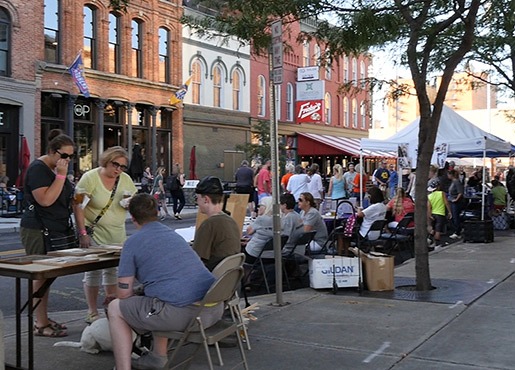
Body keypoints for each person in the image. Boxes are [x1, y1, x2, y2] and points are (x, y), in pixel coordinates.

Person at [108, 193, 222, 370]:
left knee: (115, 308)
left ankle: (123, 367)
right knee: (156, 296)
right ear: (157, 212)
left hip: (187, 316)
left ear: (132, 217)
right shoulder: (173, 235)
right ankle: (157, 357)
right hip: (213, 308)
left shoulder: (132, 243)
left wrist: (116, 296)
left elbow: (123, 294)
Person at [19, 129, 75, 337]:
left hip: (54, 228)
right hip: (38, 229)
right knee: (40, 276)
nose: (68, 160)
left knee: (48, 276)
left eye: (71, 156)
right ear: (52, 152)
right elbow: (45, 200)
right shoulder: (38, 170)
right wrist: (61, 176)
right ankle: (40, 324)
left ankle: (42, 319)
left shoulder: (52, 169)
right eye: (64, 155)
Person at [74, 146, 137, 325]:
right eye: (115, 164)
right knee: (93, 271)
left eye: (122, 166)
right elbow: (78, 206)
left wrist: (129, 204)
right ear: (106, 161)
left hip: (117, 232)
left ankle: (112, 310)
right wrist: (82, 233)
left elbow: (133, 200)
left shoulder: (125, 180)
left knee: (113, 271)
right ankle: (92, 312)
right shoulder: (90, 178)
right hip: (93, 232)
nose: (118, 169)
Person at [192, 176, 241, 271]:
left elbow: (196, 259)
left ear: (206, 199)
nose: (197, 202)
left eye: (197, 198)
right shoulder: (232, 221)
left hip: (211, 278)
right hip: (229, 279)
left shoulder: (208, 225)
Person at [243, 196, 274, 262]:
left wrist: (258, 217)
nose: (258, 208)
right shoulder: (280, 219)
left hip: (254, 253)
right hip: (272, 254)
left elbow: (249, 232)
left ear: (265, 207)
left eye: (260, 206)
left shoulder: (261, 219)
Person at [427, 178, 452, 250]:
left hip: (433, 213)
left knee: (433, 228)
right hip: (440, 214)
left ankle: (429, 239)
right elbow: (446, 203)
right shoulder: (442, 193)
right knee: (438, 230)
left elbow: (429, 206)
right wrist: (449, 211)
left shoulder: (430, 196)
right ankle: (437, 244)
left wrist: (429, 214)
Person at [447, 169, 464, 239]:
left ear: (451, 175)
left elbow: (460, 192)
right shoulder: (453, 182)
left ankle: (457, 231)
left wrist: (456, 199)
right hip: (451, 200)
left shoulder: (456, 182)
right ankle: (457, 229)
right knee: (453, 216)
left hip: (455, 202)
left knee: (455, 216)